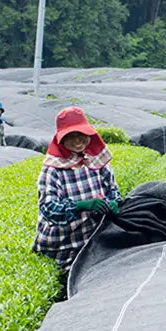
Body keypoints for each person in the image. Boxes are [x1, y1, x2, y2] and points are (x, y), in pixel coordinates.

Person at [32, 106, 121, 271]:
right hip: (63, 243)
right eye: (71, 137)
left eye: (82, 135)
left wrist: (114, 201)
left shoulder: (96, 161)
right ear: (61, 139)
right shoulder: (53, 170)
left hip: (93, 237)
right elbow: (48, 208)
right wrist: (82, 205)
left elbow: (112, 189)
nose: (78, 141)